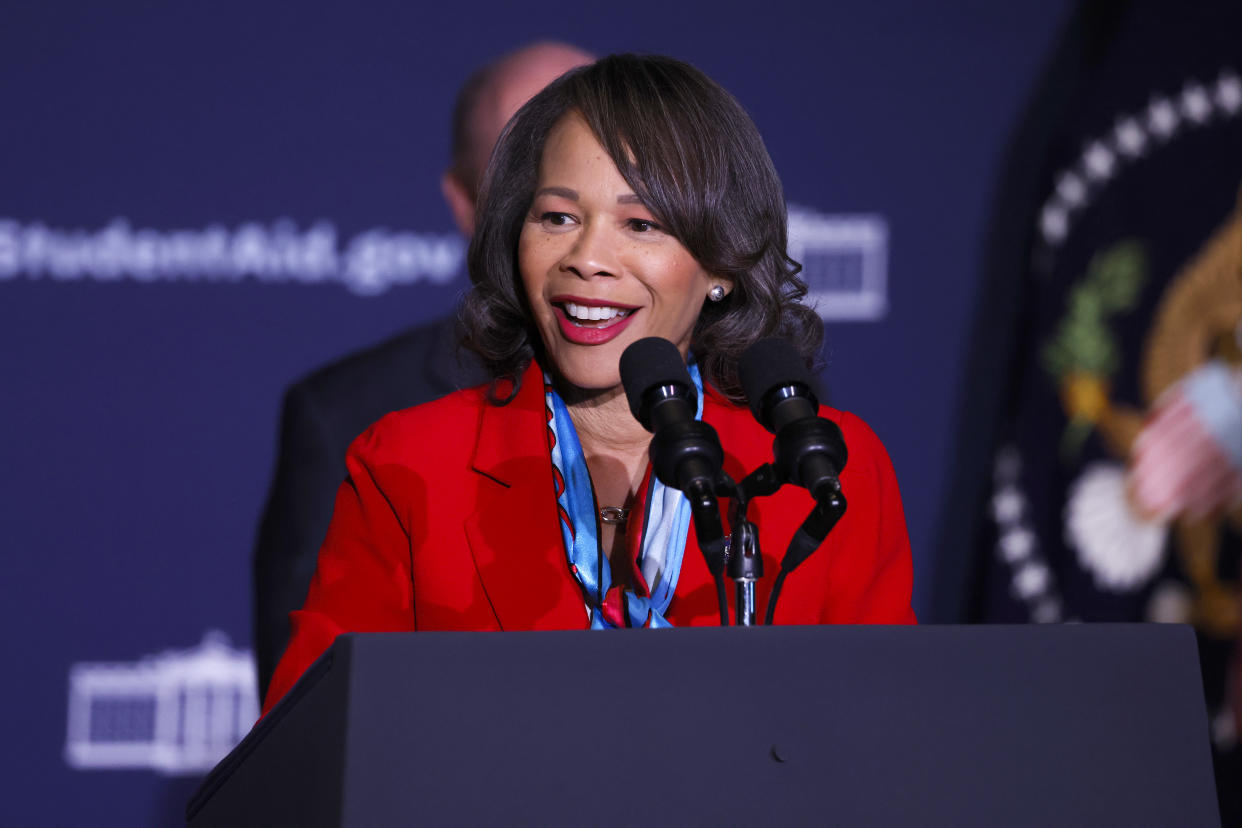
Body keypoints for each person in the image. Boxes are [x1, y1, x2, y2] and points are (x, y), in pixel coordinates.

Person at [262, 54, 916, 715]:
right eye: (557, 218)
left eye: (641, 224)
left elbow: (889, 749)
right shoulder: (407, 464)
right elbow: (309, 756)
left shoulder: (826, 475)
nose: (587, 260)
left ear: (722, 261)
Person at [251, 41, 593, 697]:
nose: (576, 225)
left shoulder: (756, 402)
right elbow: (311, 731)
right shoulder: (350, 419)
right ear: (466, 203)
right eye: (529, 181)